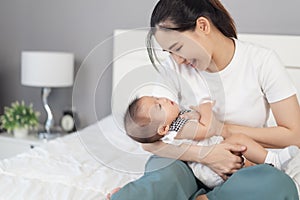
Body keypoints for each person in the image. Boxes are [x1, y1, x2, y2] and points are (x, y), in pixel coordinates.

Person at [109, 0, 300, 199]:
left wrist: (223, 130)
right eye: (170, 52)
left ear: (203, 26)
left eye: (178, 47)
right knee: (164, 178)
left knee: (277, 185)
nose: (177, 60)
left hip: (239, 166)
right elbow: (149, 141)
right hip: (185, 163)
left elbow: (294, 136)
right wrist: (207, 155)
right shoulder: (173, 68)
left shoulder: (262, 62)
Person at [123, 95, 299, 188]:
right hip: (211, 170)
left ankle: (271, 163)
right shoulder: (175, 132)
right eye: (159, 106)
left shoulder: (175, 122)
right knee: (238, 141)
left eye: (157, 97)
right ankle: (272, 161)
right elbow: (205, 129)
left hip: (215, 158)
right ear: (162, 129)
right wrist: (205, 107)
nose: (162, 99)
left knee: (241, 147)